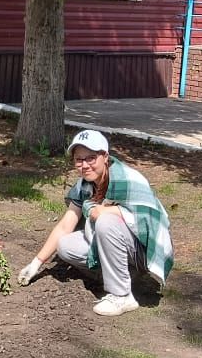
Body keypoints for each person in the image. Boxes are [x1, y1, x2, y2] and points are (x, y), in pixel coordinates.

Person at [16, 129, 173, 316]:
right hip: (118, 241)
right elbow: (66, 225)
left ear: (105, 157)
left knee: (105, 220)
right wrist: (36, 263)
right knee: (65, 245)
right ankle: (120, 276)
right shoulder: (84, 185)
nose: (84, 165)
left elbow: (151, 220)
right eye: (79, 159)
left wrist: (109, 211)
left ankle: (122, 296)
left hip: (144, 249)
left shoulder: (128, 179)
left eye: (91, 158)